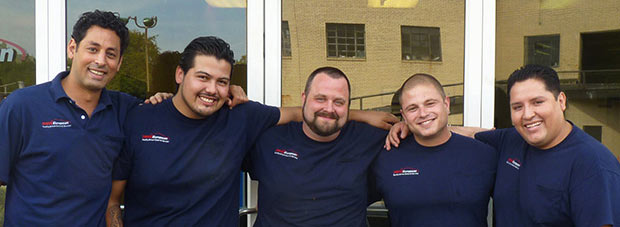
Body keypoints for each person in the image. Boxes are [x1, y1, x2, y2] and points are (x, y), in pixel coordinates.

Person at [106, 38, 398, 226]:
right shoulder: (139, 119)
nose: (212, 89)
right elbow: (112, 202)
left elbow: (298, 113)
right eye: (203, 78)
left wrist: (361, 115)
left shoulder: (243, 117)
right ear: (180, 75)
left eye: (222, 81)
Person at [387, 65, 620, 226]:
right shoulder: (512, 141)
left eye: (538, 102)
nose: (528, 115)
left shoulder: (593, 165)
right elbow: (463, 133)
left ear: (561, 101)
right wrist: (412, 125)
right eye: (518, 107)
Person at [0, 10, 136, 226]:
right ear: (72, 48)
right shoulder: (22, 106)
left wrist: (162, 98)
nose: (100, 61)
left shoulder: (125, 110)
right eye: (93, 49)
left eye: (111, 54)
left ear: (119, 63)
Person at [245, 67, 389, 226]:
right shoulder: (269, 138)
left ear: (348, 105)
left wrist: (402, 128)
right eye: (320, 99)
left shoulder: (370, 139)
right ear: (304, 98)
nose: (329, 109)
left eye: (339, 102)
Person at [370, 74, 496, 226]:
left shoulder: (484, 155)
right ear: (403, 115)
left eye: (430, 103)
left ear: (446, 104)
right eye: (412, 108)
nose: (422, 113)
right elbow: (346, 201)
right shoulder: (386, 157)